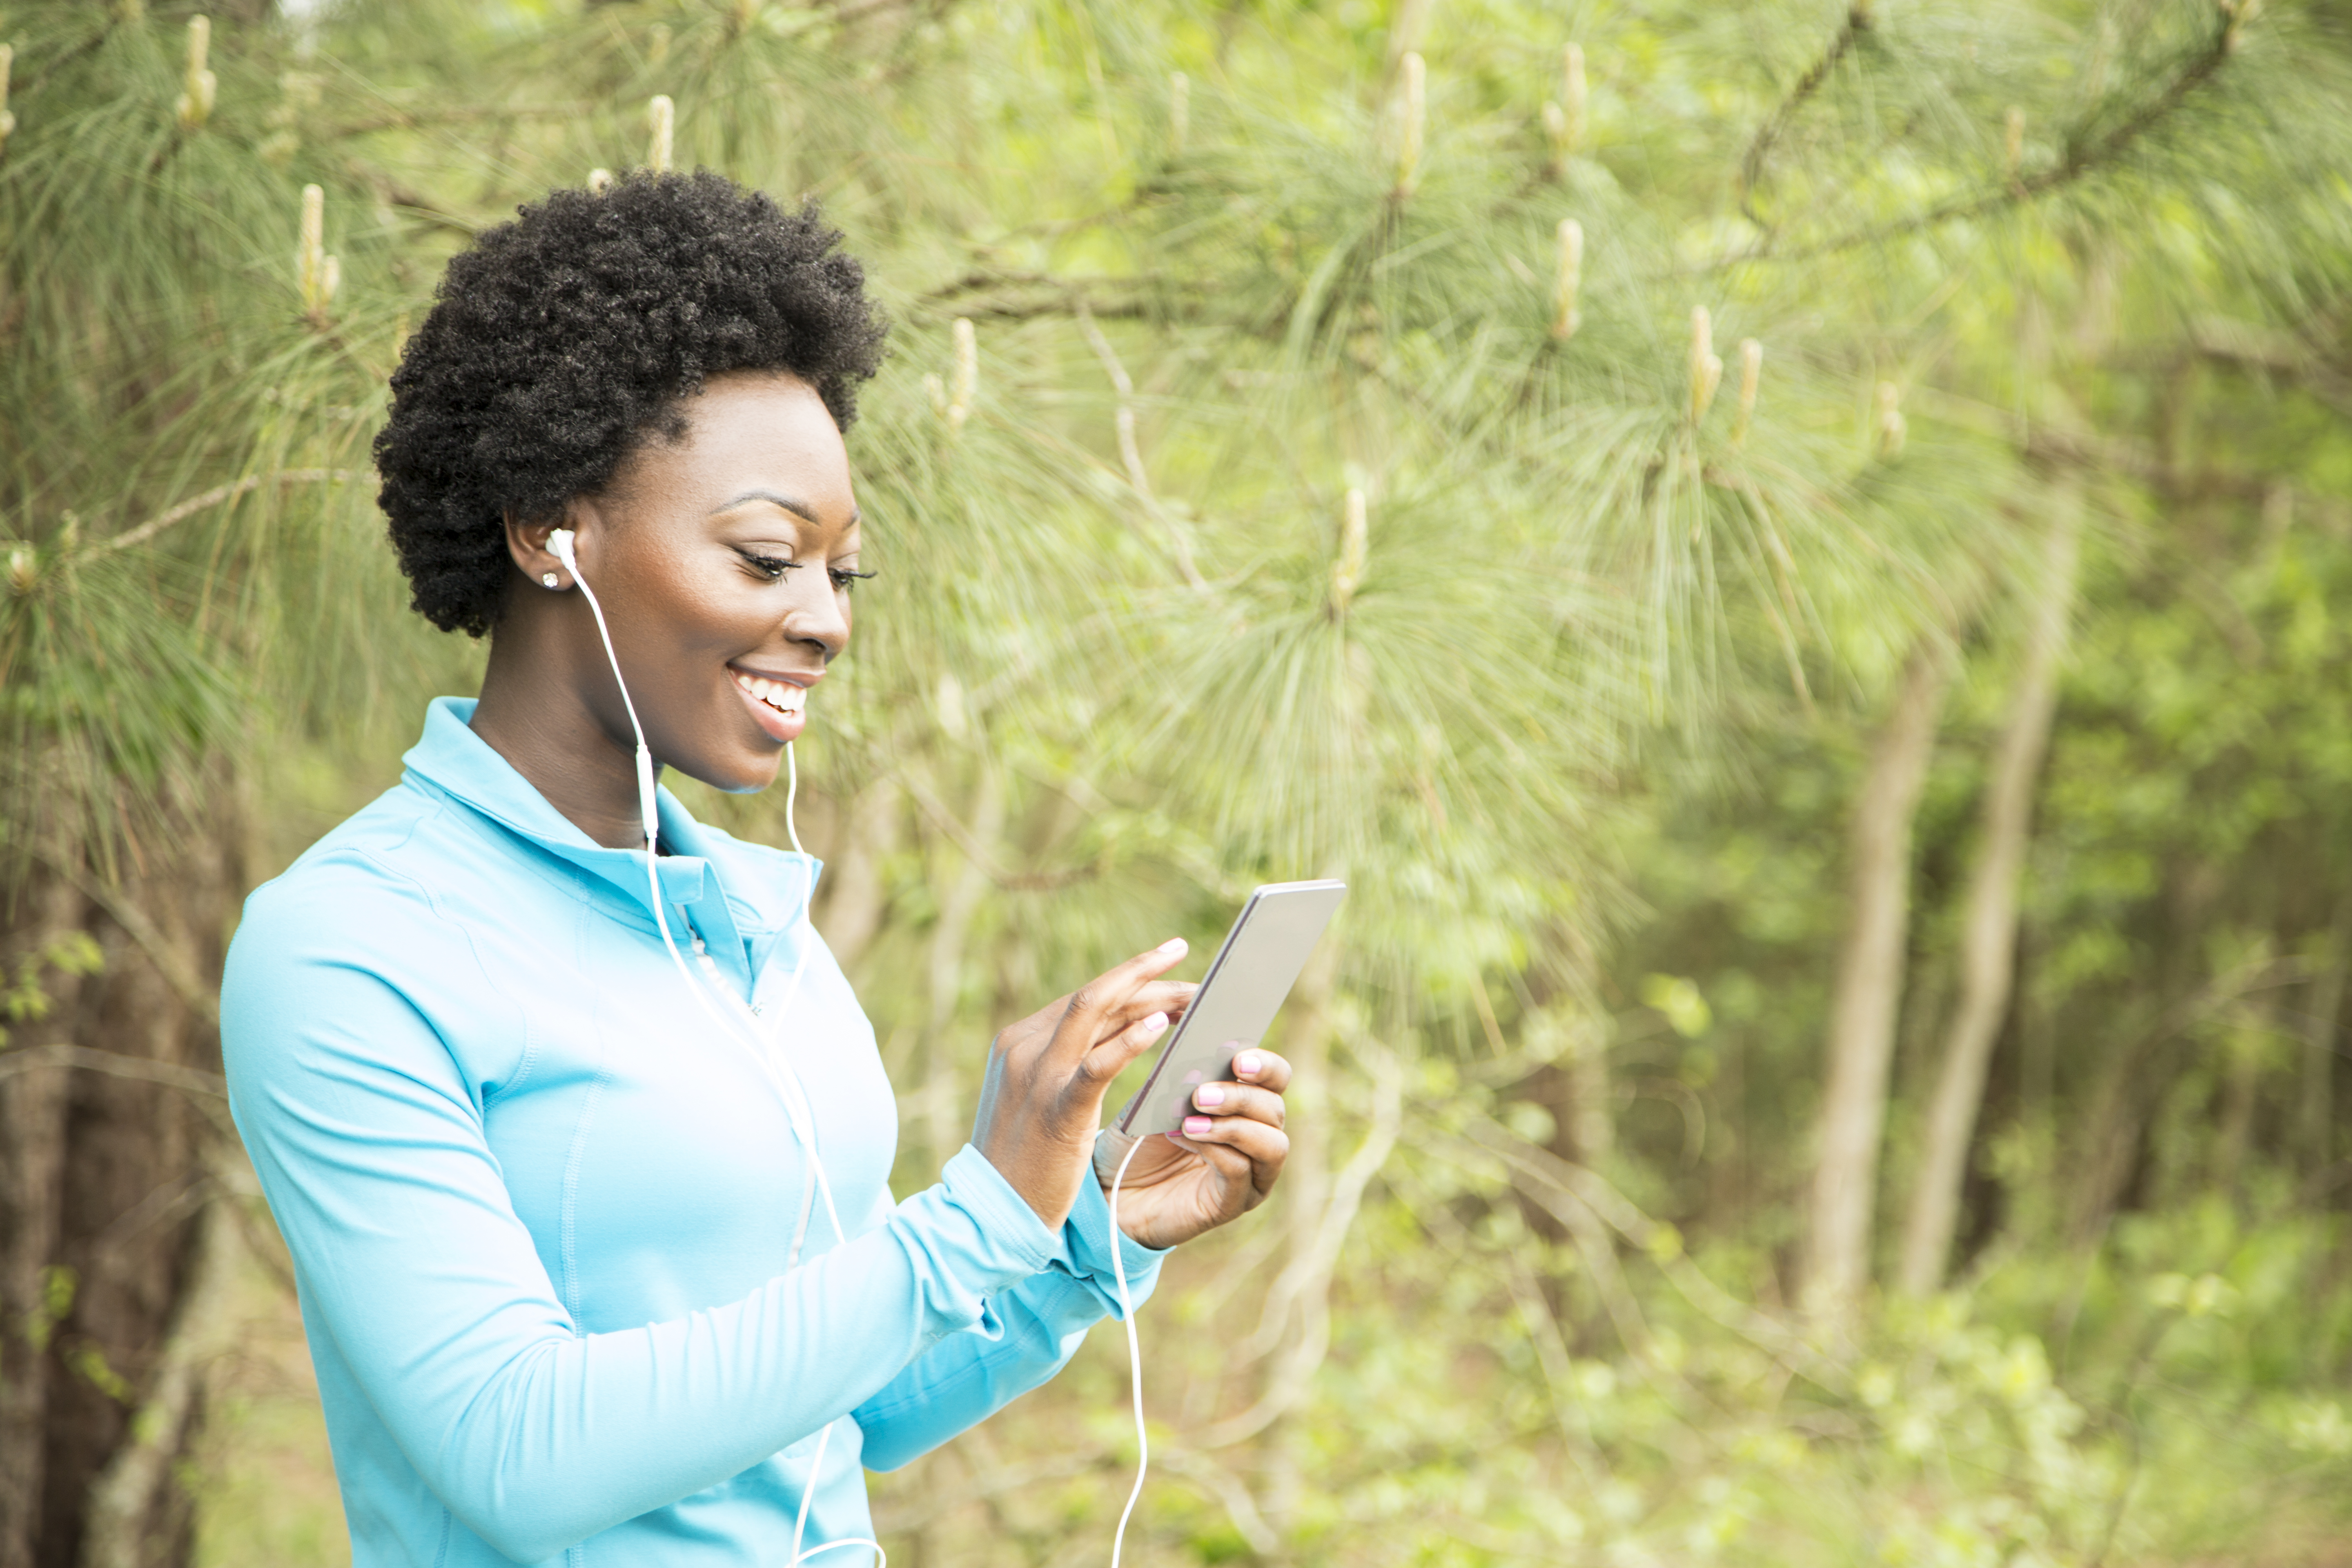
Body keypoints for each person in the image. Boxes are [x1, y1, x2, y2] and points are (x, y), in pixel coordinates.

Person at [220, 171, 1294, 1568]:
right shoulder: (351, 947)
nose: (822, 620)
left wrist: (1082, 1237)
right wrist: (974, 1216)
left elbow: (843, 1425)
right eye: (771, 555)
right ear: (554, 531)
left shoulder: (752, 922)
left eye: (841, 577)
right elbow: (513, 1451)